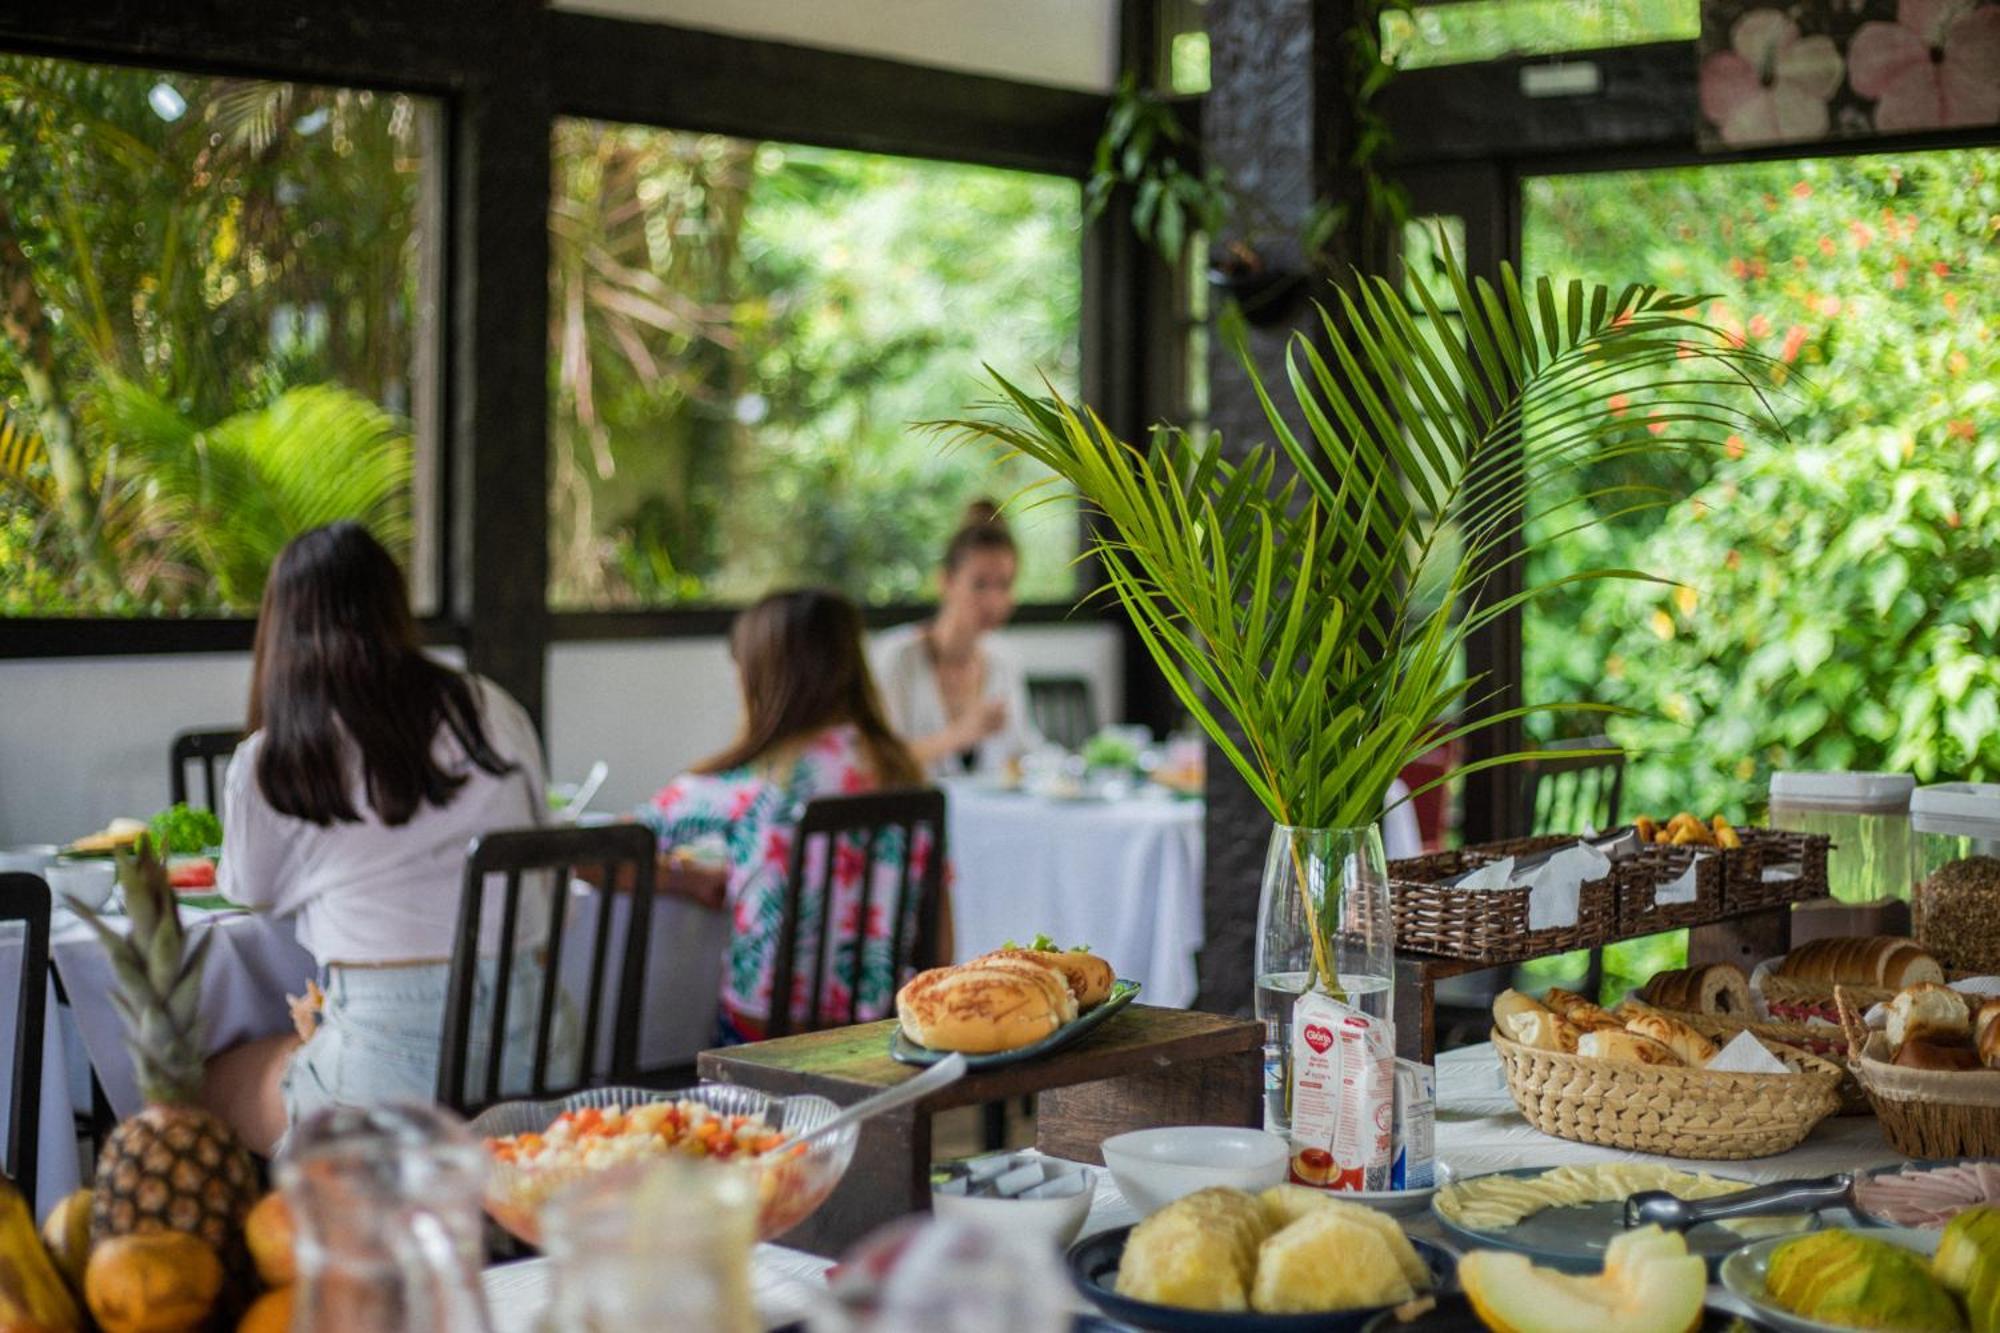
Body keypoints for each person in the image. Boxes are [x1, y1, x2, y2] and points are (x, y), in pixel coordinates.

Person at [203, 522, 557, 1154]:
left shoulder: (277, 756)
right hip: (536, 1047)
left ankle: (275, 1245)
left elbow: (248, 891)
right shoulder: (491, 709)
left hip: (390, 1068)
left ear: (279, 630)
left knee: (204, 1079)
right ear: (396, 612)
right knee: (300, 1044)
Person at [641, 588, 937, 1043]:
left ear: (764, 677)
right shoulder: (905, 773)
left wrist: (685, 879)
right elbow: (943, 929)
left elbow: (599, 850)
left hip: (768, 1038)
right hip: (881, 1033)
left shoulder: (751, 783)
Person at [872, 500, 1040, 777]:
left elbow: (1025, 752)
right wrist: (961, 734)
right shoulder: (897, 656)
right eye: (980, 584)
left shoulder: (1003, 660)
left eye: (1005, 584)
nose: (994, 600)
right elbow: (877, 761)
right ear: (946, 582)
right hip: (916, 816)